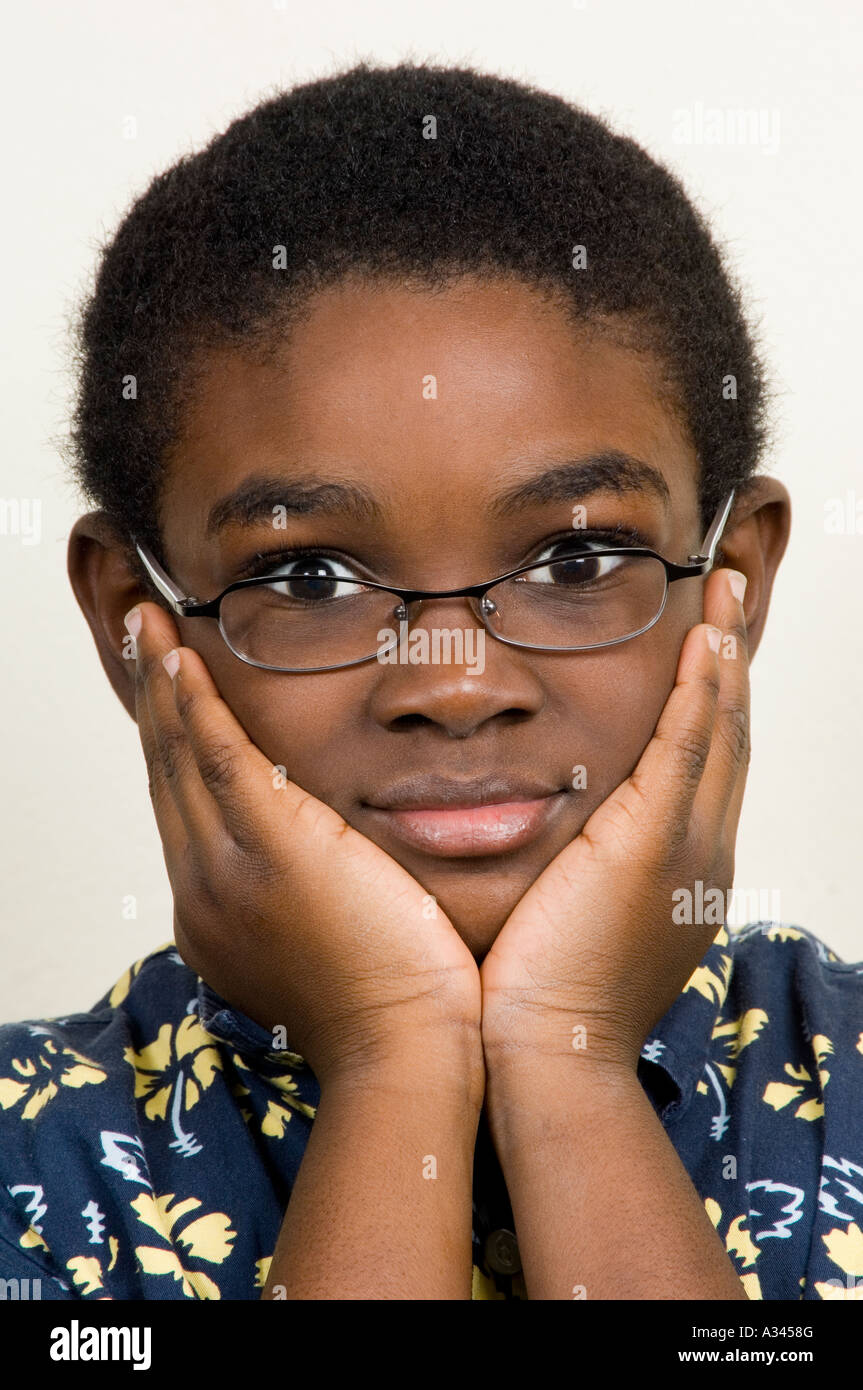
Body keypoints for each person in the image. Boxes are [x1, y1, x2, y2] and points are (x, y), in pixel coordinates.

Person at [2, 60, 860, 1302]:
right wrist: (386, 1053)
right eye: (306, 579)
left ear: (733, 583)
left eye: (576, 555)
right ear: (135, 623)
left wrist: (567, 1065)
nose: (452, 685)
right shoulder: (39, 1166)